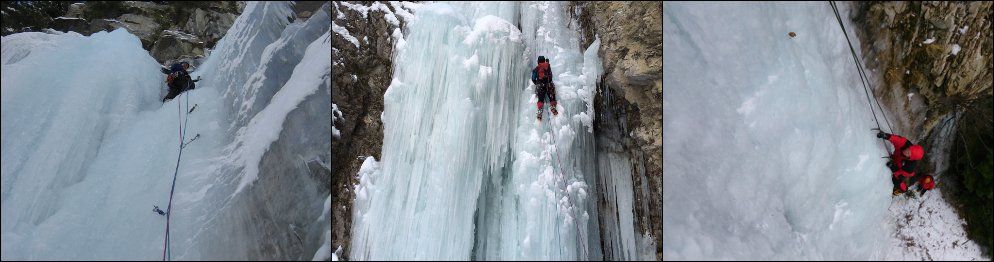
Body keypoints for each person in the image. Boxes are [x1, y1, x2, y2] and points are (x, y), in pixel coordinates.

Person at [876, 131, 925, 196]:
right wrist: (887, 136)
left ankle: (902, 190)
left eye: (908, 153)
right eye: (908, 149)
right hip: (897, 159)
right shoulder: (906, 145)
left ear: (910, 157)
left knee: (899, 183)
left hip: (906, 173)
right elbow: (898, 140)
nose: (906, 151)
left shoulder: (910, 167)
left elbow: (899, 173)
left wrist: (893, 167)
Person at [531, 56, 557, 121]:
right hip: (549, 85)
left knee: (540, 99)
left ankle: (540, 110)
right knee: (552, 96)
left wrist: (537, 83)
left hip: (540, 86)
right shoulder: (548, 66)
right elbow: (551, 76)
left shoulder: (536, 69)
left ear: (538, 61)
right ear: (544, 60)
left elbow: (533, 78)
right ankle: (553, 106)